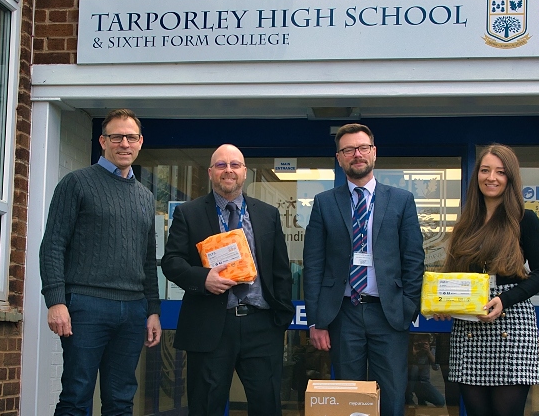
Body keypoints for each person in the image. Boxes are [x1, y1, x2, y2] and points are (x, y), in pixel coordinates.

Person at [40, 108, 162, 415]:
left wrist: (153, 311)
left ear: (140, 142)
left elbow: (148, 260)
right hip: (86, 305)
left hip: (133, 309)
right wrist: (56, 301)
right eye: (116, 137)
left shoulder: (146, 197)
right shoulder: (76, 183)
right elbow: (53, 244)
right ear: (102, 141)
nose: (124, 143)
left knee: (121, 401)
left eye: (131, 137)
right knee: (76, 395)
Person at [161, 144, 295, 416]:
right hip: (210, 325)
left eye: (235, 165)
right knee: (206, 407)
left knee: (267, 406)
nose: (228, 170)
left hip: (261, 325)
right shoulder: (189, 213)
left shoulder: (267, 214)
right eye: (221, 165)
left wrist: (281, 318)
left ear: (245, 172)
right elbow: (171, 262)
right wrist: (204, 278)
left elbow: (281, 269)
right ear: (211, 172)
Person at [303, 123, 426, 416]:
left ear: (374, 152)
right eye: (348, 150)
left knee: (393, 393)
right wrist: (316, 321)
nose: (356, 154)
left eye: (362, 148)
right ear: (339, 157)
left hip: (389, 313)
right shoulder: (324, 203)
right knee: (348, 397)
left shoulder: (401, 200)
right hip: (343, 313)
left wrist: (407, 306)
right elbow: (314, 265)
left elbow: (413, 259)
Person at [435, 143, 539, 416]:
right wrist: (443, 303)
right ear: (477, 175)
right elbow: (454, 275)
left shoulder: (525, 219)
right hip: (469, 329)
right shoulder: (466, 223)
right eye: (485, 170)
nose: (492, 177)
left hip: (511, 324)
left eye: (500, 172)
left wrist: (504, 299)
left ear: (510, 178)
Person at [406, 334, 445, 408]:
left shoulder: (430, 350)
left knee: (440, 401)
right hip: (410, 382)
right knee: (414, 368)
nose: (421, 345)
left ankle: (422, 399)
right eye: (419, 342)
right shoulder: (410, 349)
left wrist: (428, 352)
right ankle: (409, 399)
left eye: (424, 342)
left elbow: (436, 367)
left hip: (423, 382)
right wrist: (413, 353)